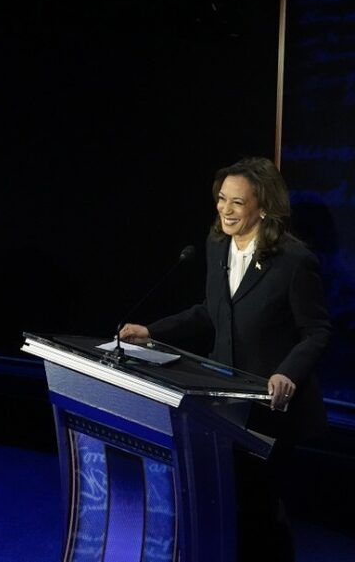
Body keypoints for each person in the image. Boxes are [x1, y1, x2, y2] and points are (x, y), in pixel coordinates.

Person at [119, 156, 331, 562]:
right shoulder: (217, 243)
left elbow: (317, 330)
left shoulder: (294, 261)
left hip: (271, 408)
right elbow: (210, 311)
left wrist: (287, 373)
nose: (225, 210)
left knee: (262, 509)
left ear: (262, 207)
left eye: (237, 202)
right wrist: (152, 331)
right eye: (221, 199)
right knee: (232, 503)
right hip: (222, 403)